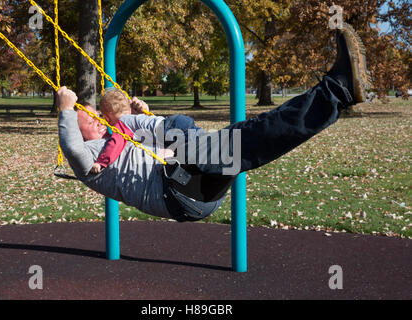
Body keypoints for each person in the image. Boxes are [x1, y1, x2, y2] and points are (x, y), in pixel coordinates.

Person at [58, 23, 371, 222]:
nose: (99, 120)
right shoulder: (88, 160)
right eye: (90, 118)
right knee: (245, 139)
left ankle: (337, 91)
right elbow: (71, 143)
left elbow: (147, 137)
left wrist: (144, 117)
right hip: (179, 190)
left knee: (242, 139)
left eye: (98, 116)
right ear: (77, 126)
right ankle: (338, 89)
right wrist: (66, 109)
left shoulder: (115, 141)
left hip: (188, 183)